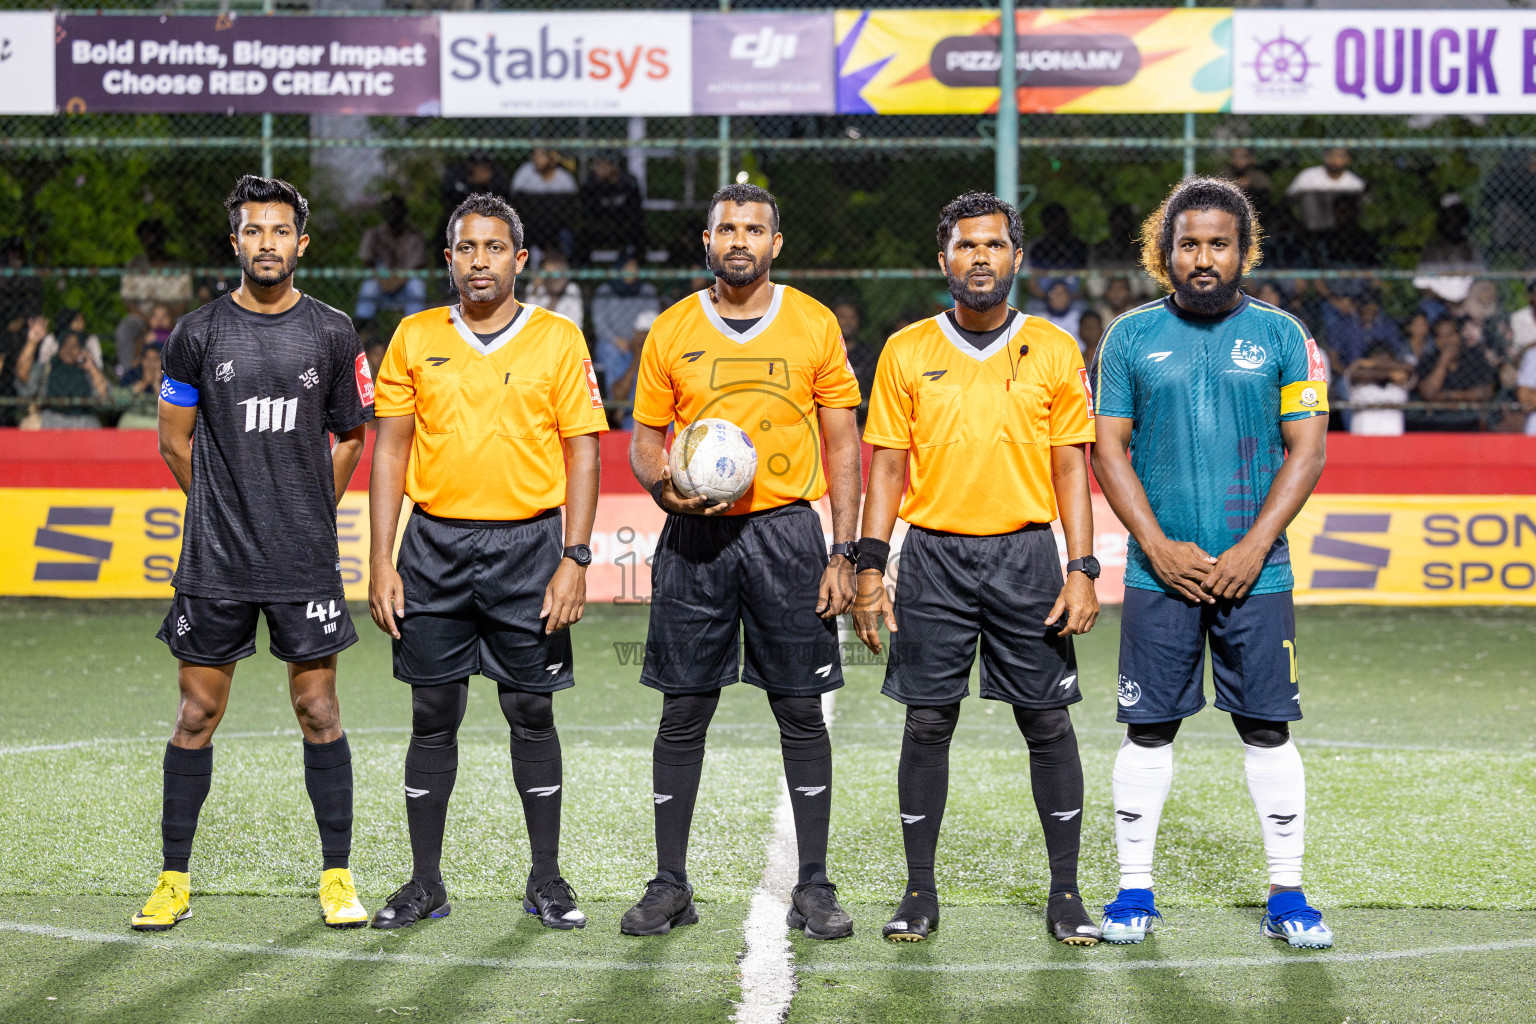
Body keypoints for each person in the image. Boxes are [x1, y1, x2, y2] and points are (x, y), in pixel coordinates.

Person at [1089, 177, 1334, 950]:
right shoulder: (1128, 337)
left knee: (1268, 730)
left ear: (1243, 250)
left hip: (1256, 575)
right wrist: (1156, 546)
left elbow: (1309, 450)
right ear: (1165, 253)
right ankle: (1134, 891)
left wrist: (1254, 546)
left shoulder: (1289, 338)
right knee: (1147, 730)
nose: (1203, 258)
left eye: (1218, 244)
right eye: (1188, 243)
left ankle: (1287, 894)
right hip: (1158, 574)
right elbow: (1107, 449)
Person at [852, 191, 1102, 947]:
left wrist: (1082, 566)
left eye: (994, 246)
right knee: (928, 721)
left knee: (1047, 721)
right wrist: (871, 567)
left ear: (1017, 258)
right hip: (931, 558)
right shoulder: (906, 350)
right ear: (944, 259)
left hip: (1027, 556)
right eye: (967, 246)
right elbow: (886, 471)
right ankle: (919, 894)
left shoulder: (1055, 350)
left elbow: (1071, 473)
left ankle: (1066, 894)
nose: (981, 258)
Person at [621, 183, 862, 940]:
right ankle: (670, 885)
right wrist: (666, 489)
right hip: (696, 538)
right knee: (683, 710)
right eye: (727, 227)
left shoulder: (813, 324)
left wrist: (844, 551)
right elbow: (646, 440)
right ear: (706, 238)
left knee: (799, 710)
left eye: (754, 228)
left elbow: (844, 443)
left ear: (775, 244)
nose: (740, 239)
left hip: (788, 534)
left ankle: (815, 885)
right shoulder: (671, 328)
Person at [134, 175, 374, 932]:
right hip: (217, 560)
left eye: (279, 232)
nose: (265, 244)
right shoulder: (198, 334)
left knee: (319, 708)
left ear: (301, 243)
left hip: (303, 558)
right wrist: (221, 507)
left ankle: (336, 876)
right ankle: (174, 878)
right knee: (198, 712)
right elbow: (173, 440)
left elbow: (352, 437)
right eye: (252, 231)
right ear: (234, 240)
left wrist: (305, 508)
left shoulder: (333, 333)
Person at [367, 193, 607, 932]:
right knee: (432, 712)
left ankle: (547, 880)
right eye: (467, 248)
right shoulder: (412, 337)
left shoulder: (559, 339)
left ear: (519, 259)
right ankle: (425, 884)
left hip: (530, 548)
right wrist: (381, 559)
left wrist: (575, 556)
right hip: (433, 547)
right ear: (448, 260)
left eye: (495, 248)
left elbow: (584, 450)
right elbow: (392, 452)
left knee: (530, 711)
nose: (480, 261)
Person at [16, 328, 111, 429]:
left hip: (84, 423)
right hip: (50, 421)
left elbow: (103, 396)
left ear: (81, 349)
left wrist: (91, 367)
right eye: (65, 345)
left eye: (74, 346)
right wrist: (32, 342)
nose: (69, 349)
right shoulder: (49, 368)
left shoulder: (87, 372)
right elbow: (24, 378)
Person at [356, 195, 429, 322]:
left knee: (417, 286)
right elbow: (368, 262)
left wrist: (395, 282)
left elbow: (416, 267)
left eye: (397, 212)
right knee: (369, 287)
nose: (394, 216)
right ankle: (363, 327)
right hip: (381, 281)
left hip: (405, 284)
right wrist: (383, 281)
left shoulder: (414, 236)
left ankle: (413, 328)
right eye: (390, 212)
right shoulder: (374, 234)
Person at [513, 149, 579, 259]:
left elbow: (570, 211)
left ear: (552, 160)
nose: (536, 159)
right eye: (535, 155)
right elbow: (515, 203)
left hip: (557, 226)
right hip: (529, 224)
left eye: (541, 156)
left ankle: (563, 266)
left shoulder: (564, 179)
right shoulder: (525, 172)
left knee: (567, 236)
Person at [593, 309, 652, 430]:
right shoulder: (624, 359)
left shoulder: (667, 359)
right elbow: (617, 396)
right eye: (640, 335)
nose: (644, 341)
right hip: (631, 423)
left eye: (648, 336)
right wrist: (637, 358)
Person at [579, 154, 645, 263]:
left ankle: (636, 267)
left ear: (613, 166)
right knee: (582, 236)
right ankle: (583, 272)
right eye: (595, 164)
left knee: (638, 234)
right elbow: (588, 212)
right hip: (599, 227)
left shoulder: (628, 183)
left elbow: (635, 211)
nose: (597, 168)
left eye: (601, 164)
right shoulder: (590, 183)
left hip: (623, 227)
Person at [1285, 147, 1365, 234]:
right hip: (1310, 225)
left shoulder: (1355, 183)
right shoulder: (1308, 176)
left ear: (1348, 160)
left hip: (1342, 228)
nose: (1334, 159)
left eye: (1339, 156)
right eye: (1331, 155)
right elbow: (1289, 198)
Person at [591, 258, 659, 349]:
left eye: (635, 267)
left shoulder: (647, 290)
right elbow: (599, 324)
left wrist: (637, 340)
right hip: (612, 342)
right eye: (627, 267)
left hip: (640, 341)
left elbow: (653, 319)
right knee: (607, 348)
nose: (632, 271)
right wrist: (616, 340)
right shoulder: (604, 290)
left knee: (647, 348)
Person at [524, 251, 585, 328]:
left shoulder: (572, 289)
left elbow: (576, 325)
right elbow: (529, 321)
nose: (557, 268)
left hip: (564, 335)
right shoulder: (535, 287)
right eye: (553, 263)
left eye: (560, 265)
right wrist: (553, 296)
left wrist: (558, 294)